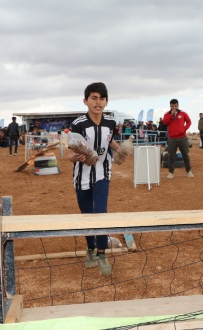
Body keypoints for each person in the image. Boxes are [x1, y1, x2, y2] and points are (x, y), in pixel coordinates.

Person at [69, 82, 122, 275]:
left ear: (106, 102)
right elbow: (69, 151)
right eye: (94, 98)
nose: (98, 102)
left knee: (100, 213)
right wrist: (75, 157)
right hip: (81, 176)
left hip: (102, 174)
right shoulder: (78, 124)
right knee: (87, 215)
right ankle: (90, 248)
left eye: (101, 98)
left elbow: (109, 141)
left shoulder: (110, 122)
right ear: (86, 101)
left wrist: (120, 150)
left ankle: (101, 252)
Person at [162, 98, 193, 179]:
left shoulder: (183, 113)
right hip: (172, 138)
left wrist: (184, 129)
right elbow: (164, 122)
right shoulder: (167, 114)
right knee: (171, 156)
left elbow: (189, 121)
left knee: (185, 155)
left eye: (175, 106)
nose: (174, 107)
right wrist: (171, 115)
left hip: (182, 138)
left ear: (178, 105)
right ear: (170, 106)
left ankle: (188, 171)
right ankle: (171, 173)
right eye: (172, 106)